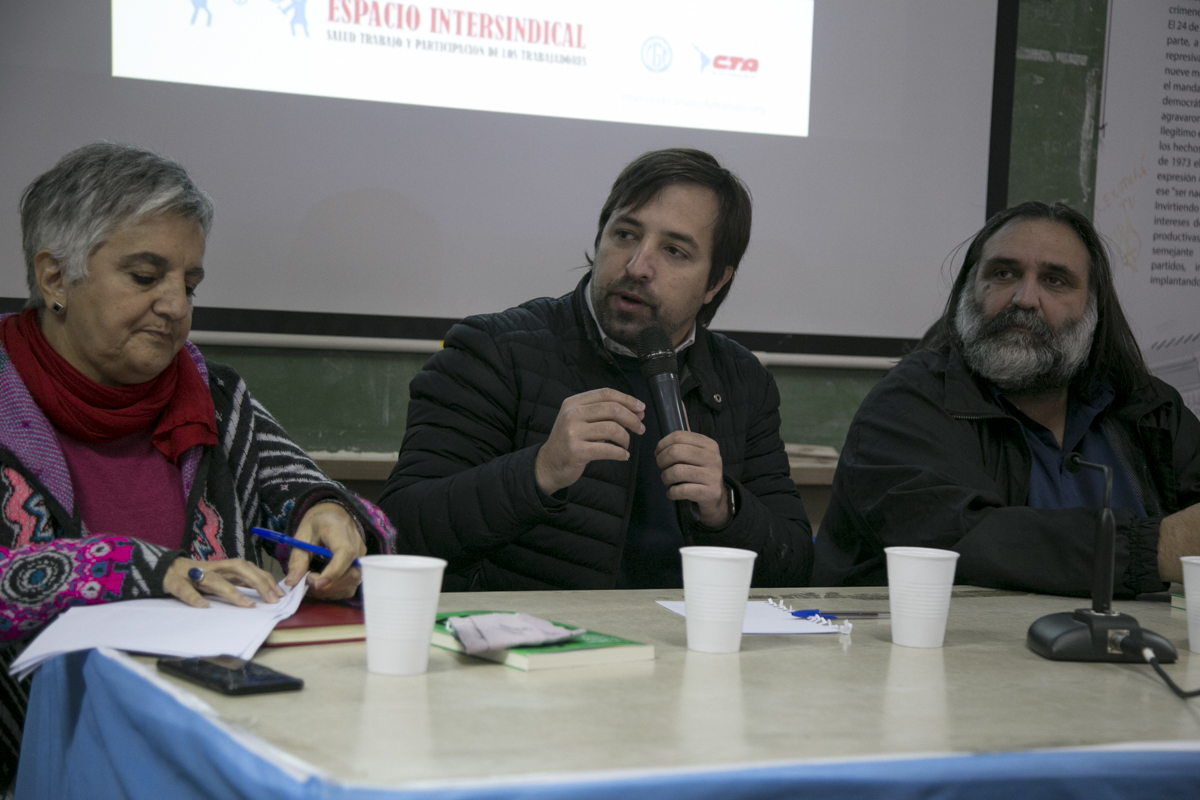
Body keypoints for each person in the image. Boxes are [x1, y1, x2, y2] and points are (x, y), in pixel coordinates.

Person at [0, 143, 395, 782]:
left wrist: (330, 518)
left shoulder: (213, 394)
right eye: (145, 277)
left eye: (189, 284)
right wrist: (141, 568)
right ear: (54, 278)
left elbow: (325, 501)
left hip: (218, 752)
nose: (177, 306)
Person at [380, 148, 811, 591]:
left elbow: (795, 567)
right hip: (534, 631)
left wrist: (725, 508)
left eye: (674, 251)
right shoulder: (494, 350)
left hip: (689, 631)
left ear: (716, 282)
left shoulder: (743, 381)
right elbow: (398, 533)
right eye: (625, 234)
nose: (637, 266)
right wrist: (540, 470)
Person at [814, 202, 1200, 596]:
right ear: (969, 290)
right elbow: (963, 542)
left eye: (1055, 280)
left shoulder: (1149, 409)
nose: (1025, 298)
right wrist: (1160, 547)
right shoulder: (906, 403)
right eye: (1003, 274)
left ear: (1094, 308)